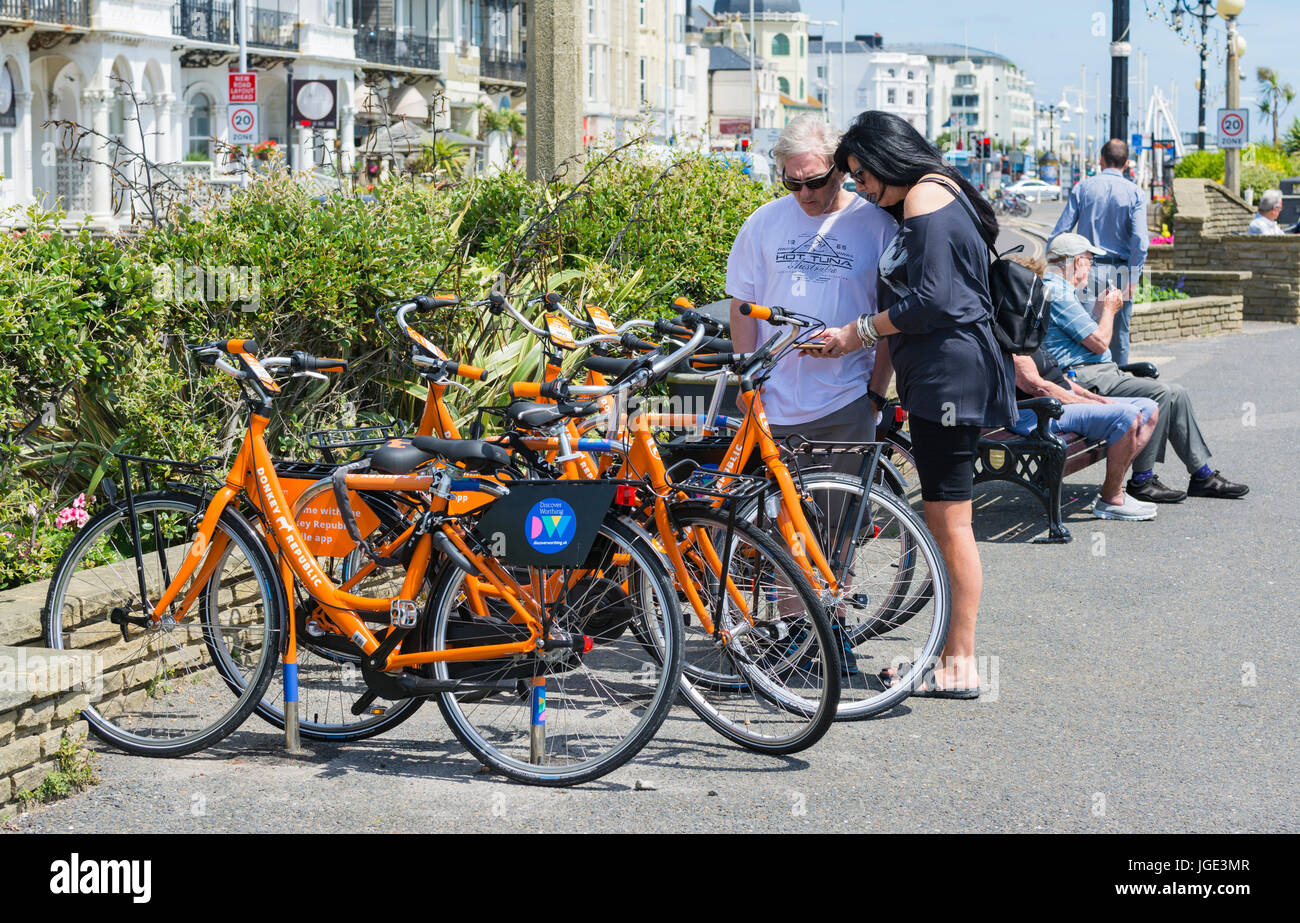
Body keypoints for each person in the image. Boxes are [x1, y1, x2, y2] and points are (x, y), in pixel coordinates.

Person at [819, 110, 1017, 699]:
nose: (860, 187)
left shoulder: (925, 199)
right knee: (948, 519)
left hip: (949, 376)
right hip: (951, 371)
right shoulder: (944, 188)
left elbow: (932, 299)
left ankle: (959, 662)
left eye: (862, 174)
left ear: (889, 157)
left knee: (951, 523)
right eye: (852, 178)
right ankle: (954, 656)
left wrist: (858, 331)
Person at [727, 113, 898, 455]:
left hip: (845, 403)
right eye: (793, 183)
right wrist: (746, 381)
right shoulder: (762, 222)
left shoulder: (878, 226)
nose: (804, 194)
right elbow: (742, 304)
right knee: (770, 510)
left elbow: (893, 317)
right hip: (770, 406)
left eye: (815, 182)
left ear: (840, 171)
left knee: (840, 511)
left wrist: (876, 393)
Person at [1040, 233, 1249, 503]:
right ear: (1077, 261)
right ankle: (1142, 480)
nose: (1091, 266)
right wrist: (1109, 310)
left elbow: (1089, 339)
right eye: (1090, 260)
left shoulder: (1061, 291)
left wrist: (1101, 310)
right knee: (1161, 393)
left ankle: (1202, 475)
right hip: (1086, 377)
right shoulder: (1057, 292)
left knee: (1178, 392)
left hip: (1097, 373)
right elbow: (1100, 343)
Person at [1051, 138, 1148, 366]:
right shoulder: (1136, 193)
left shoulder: (1083, 187)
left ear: (1101, 160)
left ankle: (1088, 385)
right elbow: (1141, 241)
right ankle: (1119, 387)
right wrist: (1133, 278)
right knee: (1119, 335)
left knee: (1084, 332)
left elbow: (1060, 233)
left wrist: (1054, 270)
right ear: (1126, 164)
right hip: (1122, 271)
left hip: (1086, 270)